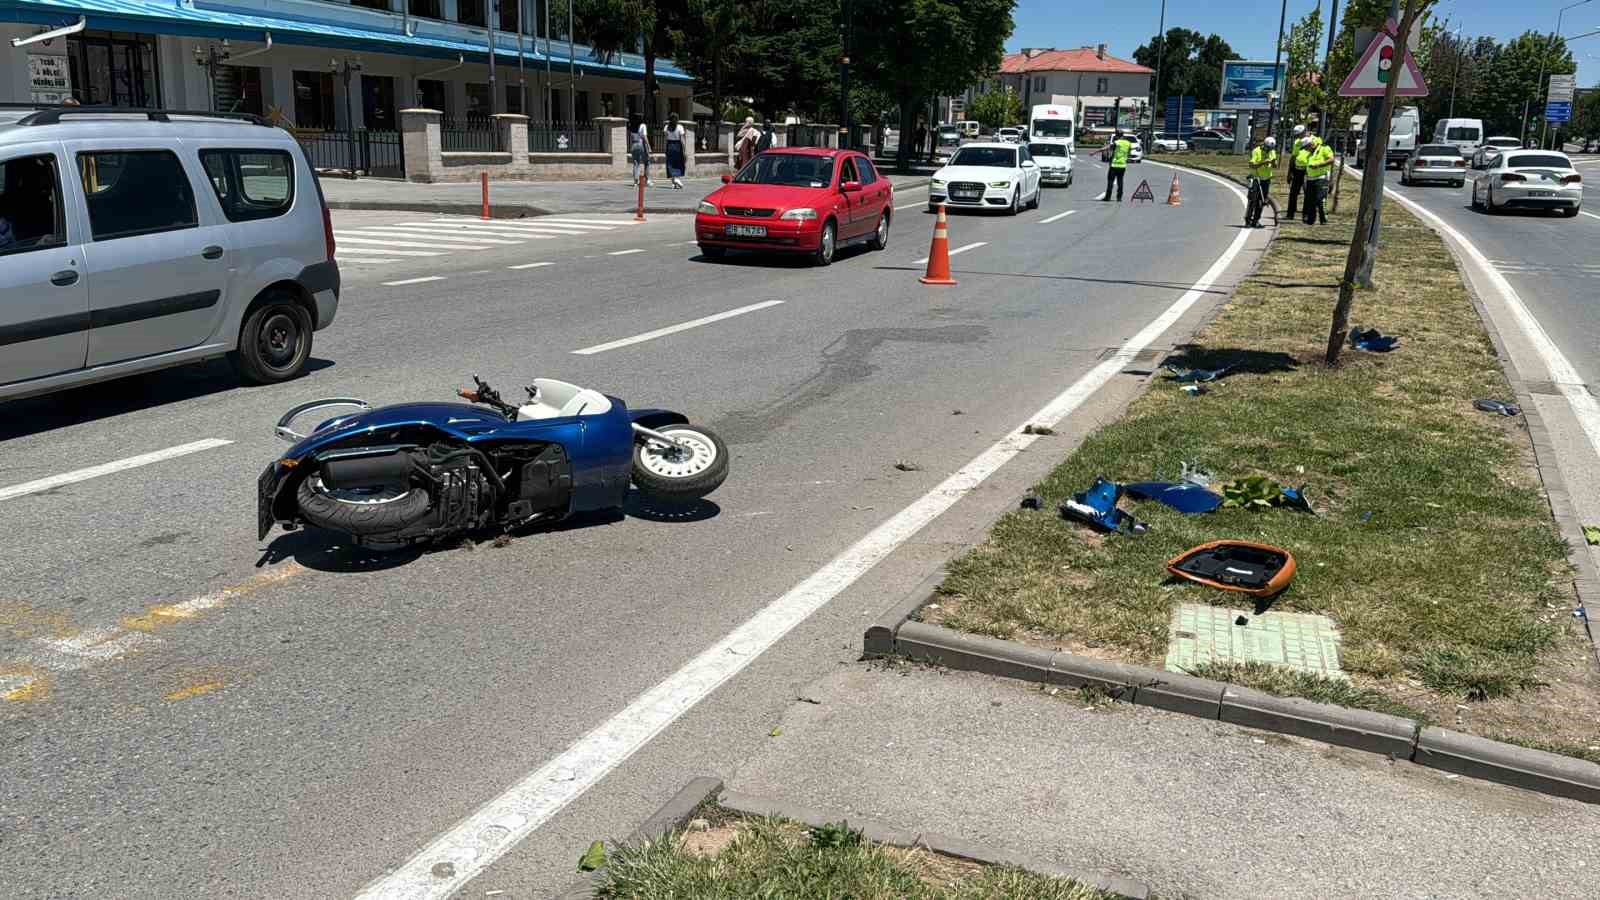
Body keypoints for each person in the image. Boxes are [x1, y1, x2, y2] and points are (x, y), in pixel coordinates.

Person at [1302, 133, 1334, 225]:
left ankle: (1323, 219)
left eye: (1306, 147)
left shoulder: (1324, 148)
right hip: (1310, 179)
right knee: (1310, 200)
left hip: (1321, 178)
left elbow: (1331, 160)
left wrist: (1319, 165)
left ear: (1310, 145)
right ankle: (1311, 220)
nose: (1305, 150)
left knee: (1320, 199)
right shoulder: (1309, 154)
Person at [1246, 136, 1278, 228]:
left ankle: (1256, 220)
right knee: (1253, 200)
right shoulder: (1256, 151)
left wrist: (1273, 162)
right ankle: (1248, 220)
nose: (1269, 150)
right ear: (1265, 145)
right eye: (1268, 148)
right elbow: (1252, 165)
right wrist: (1263, 162)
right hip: (1256, 178)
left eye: (1271, 149)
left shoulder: (1272, 152)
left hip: (1266, 179)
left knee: (1262, 201)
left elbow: (1275, 166)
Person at [1285, 124, 1308, 218]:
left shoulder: (1313, 140)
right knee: (1293, 193)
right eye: (1296, 135)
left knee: (1308, 192)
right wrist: (1289, 172)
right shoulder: (1297, 142)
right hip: (1297, 171)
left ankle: (1306, 214)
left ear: (1304, 132)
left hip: (1308, 171)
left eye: (1299, 134)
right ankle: (1290, 214)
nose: (1297, 136)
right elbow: (1293, 157)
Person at [1103, 129, 1132, 201]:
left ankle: (1108, 197)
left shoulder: (1116, 142)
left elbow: (1107, 148)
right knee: (1120, 181)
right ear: (1123, 135)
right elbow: (1129, 153)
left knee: (1110, 181)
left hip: (1114, 165)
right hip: (1122, 166)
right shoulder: (1128, 143)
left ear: (1116, 135)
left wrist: (1094, 152)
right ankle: (1119, 198)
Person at [663, 111, 687, 189]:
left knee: (670, 163)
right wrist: (684, 150)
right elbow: (682, 140)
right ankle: (676, 179)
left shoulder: (666, 127)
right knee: (678, 163)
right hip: (677, 146)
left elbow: (665, 139)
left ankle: (674, 182)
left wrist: (665, 148)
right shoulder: (680, 127)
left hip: (669, 145)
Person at [629, 114, 652, 187]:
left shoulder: (632, 127)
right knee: (647, 161)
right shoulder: (643, 125)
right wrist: (649, 146)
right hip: (641, 144)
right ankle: (647, 180)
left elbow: (631, 137)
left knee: (636, 163)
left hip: (633, 145)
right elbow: (644, 137)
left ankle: (636, 181)